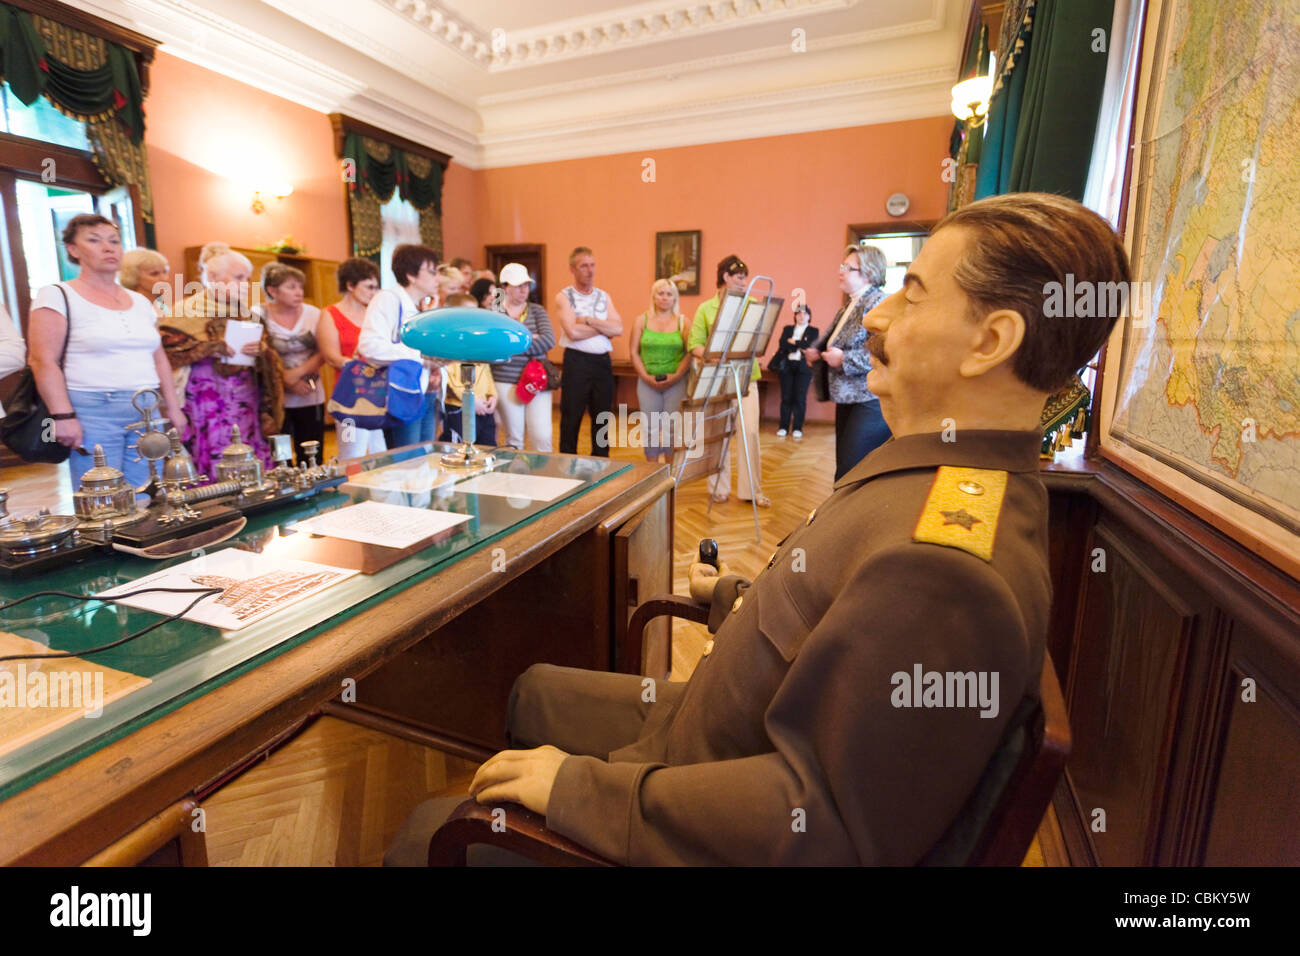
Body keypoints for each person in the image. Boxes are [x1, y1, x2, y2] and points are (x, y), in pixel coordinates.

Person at [386, 192, 1131, 867]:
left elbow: (824, 821)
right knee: (532, 689)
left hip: (699, 786)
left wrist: (581, 793)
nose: (875, 317)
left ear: (990, 341)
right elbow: (850, 624)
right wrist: (738, 593)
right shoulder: (948, 479)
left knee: (427, 835)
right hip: (704, 735)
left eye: (911, 295)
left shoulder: (945, 568)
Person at [28, 214, 187, 490]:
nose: (108, 247)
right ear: (73, 250)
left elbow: (158, 356)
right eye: (94, 240)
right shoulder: (57, 294)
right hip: (93, 409)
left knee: (146, 490)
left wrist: (173, 407)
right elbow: (42, 360)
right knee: (102, 496)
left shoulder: (139, 301)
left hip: (147, 408)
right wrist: (63, 416)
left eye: (114, 241)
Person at [161, 242, 281, 477]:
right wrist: (207, 349)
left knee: (247, 446)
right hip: (205, 400)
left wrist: (262, 350)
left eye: (247, 279)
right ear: (213, 277)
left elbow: (271, 357)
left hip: (246, 399)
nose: (245, 285)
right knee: (212, 449)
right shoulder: (184, 311)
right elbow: (167, 354)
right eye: (238, 278)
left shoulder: (248, 313)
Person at [805, 245, 891, 480]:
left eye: (848, 268)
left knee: (851, 468)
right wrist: (817, 350)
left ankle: (850, 515)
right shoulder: (851, 304)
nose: (840, 271)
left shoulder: (878, 303)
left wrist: (844, 359)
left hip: (868, 399)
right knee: (844, 465)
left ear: (869, 273)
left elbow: (884, 350)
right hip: (848, 397)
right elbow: (835, 339)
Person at [687, 254, 767, 506]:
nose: (745, 282)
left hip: (746, 378)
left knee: (750, 432)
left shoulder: (752, 304)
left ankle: (751, 491)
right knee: (719, 434)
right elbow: (694, 345)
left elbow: (759, 339)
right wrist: (712, 355)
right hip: (718, 379)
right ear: (725, 277)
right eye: (739, 277)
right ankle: (718, 489)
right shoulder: (705, 309)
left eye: (746, 277)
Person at [357, 244, 442, 451]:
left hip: (425, 392)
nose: (437, 279)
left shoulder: (419, 305)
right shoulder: (388, 299)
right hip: (401, 393)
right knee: (406, 463)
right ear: (411, 275)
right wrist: (423, 359)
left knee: (424, 459)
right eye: (432, 272)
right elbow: (369, 346)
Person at [554, 247, 622, 457]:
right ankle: (566, 467)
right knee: (571, 417)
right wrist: (604, 328)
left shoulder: (604, 296)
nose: (590, 270)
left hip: (602, 363)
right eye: (584, 266)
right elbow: (573, 332)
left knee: (602, 418)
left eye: (592, 265)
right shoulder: (564, 297)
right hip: (577, 362)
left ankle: (602, 464)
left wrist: (590, 320)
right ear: (572, 269)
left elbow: (618, 328)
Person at [318, 258, 386, 460]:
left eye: (376, 287)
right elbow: (331, 356)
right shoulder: (330, 314)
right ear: (350, 285)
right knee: (350, 452)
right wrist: (356, 364)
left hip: (377, 393)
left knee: (380, 451)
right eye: (369, 287)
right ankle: (349, 491)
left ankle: (380, 492)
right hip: (348, 397)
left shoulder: (375, 315)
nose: (373, 293)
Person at [257, 262, 324, 465]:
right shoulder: (257, 314)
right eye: (291, 287)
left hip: (309, 391)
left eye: (300, 287)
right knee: (280, 454)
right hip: (274, 397)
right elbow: (258, 356)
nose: (299, 292)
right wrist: (284, 379)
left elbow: (324, 351)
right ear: (272, 290)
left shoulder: (314, 313)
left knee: (311, 451)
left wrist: (295, 375)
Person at [493, 263, 555, 452]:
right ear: (504, 288)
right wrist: (530, 338)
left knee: (542, 436)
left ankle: (543, 479)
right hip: (505, 380)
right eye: (518, 285)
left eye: (526, 285)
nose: (523, 290)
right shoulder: (494, 312)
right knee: (514, 439)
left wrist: (512, 343)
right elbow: (494, 348)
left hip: (537, 380)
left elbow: (548, 341)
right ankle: (515, 480)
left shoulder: (537, 310)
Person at [629, 278, 690, 462]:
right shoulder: (641, 320)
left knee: (672, 428)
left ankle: (669, 477)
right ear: (653, 297)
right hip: (647, 383)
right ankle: (653, 474)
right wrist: (646, 377)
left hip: (676, 383)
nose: (664, 298)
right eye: (660, 293)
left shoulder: (683, 322)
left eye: (669, 294)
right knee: (650, 428)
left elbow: (690, 352)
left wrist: (677, 375)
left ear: (675, 298)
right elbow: (633, 352)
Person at [439, 292, 498, 446]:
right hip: (460, 409)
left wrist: (493, 395)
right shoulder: (448, 343)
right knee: (459, 450)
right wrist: (470, 400)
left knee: (487, 448)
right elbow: (449, 377)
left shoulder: (476, 341)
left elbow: (486, 371)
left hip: (483, 408)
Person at [774, 304, 819, 438]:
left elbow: (810, 346)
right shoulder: (787, 329)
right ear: (795, 316)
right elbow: (782, 344)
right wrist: (799, 345)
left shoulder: (814, 331)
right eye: (798, 314)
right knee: (786, 397)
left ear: (809, 316)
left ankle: (797, 428)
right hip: (787, 366)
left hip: (803, 368)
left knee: (799, 398)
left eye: (805, 314)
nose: (801, 316)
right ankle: (783, 427)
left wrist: (793, 342)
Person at [118, 248, 172, 316]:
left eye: (165, 272)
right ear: (134, 276)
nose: (165, 278)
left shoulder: (162, 306)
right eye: (154, 273)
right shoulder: (129, 310)